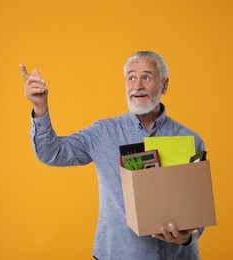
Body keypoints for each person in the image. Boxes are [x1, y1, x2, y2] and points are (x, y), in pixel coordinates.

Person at [21, 51, 205, 260]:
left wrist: (184, 238)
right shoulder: (103, 132)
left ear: (164, 85)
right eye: (131, 78)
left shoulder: (190, 139)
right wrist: (40, 107)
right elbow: (52, 153)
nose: (137, 86)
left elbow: (198, 210)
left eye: (146, 77)